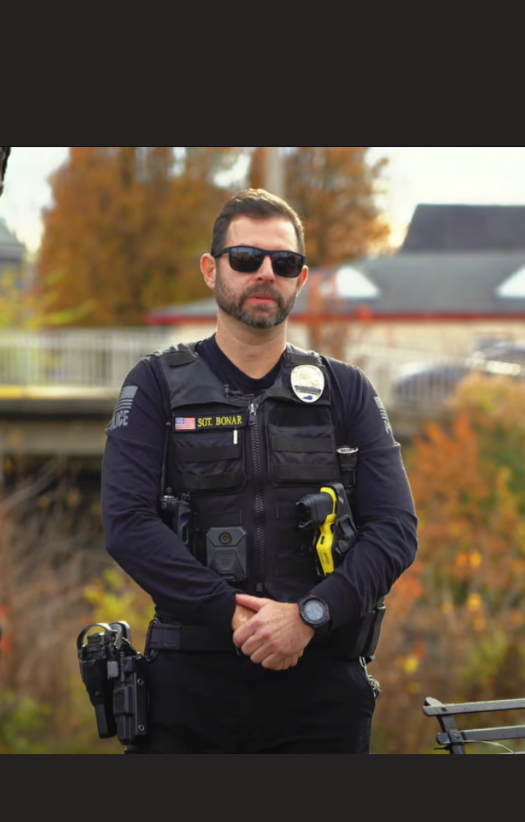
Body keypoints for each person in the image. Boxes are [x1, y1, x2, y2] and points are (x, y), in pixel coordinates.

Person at [100, 189, 418, 754]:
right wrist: (231, 613)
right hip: (188, 689)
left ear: (301, 279)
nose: (266, 273)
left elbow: (395, 530)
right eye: (246, 258)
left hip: (320, 686)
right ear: (211, 269)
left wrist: (308, 616)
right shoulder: (155, 385)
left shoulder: (346, 390)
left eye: (284, 262)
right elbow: (127, 525)